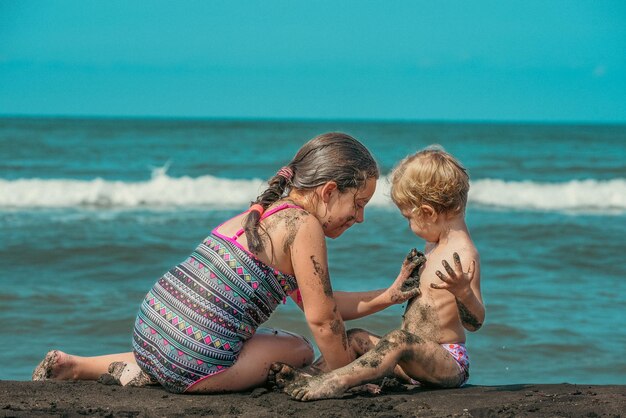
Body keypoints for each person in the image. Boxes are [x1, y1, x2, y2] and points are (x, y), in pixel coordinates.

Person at [32, 132, 423, 394]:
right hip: (192, 364)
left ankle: (78, 365)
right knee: (301, 350)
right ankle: (159, 373)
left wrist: (388, 296)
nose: (359, 218)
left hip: (150, 327)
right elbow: (323, 322)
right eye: (358, 204)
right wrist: (344, 379)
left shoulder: (262, 213)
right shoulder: (304, 226)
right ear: (328, 191)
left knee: (198, 338)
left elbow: (322, 301)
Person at [270, 145, 485, 401]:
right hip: (412, 359)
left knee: (398, 339)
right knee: (355, 337)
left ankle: (337, 381)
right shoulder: (434, 246)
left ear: (427, 213)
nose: (410, 225)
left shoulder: (463, 254)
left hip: (446, 361)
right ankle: (313, 374)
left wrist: (463, 293)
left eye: (409, 218)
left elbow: (475, 322)